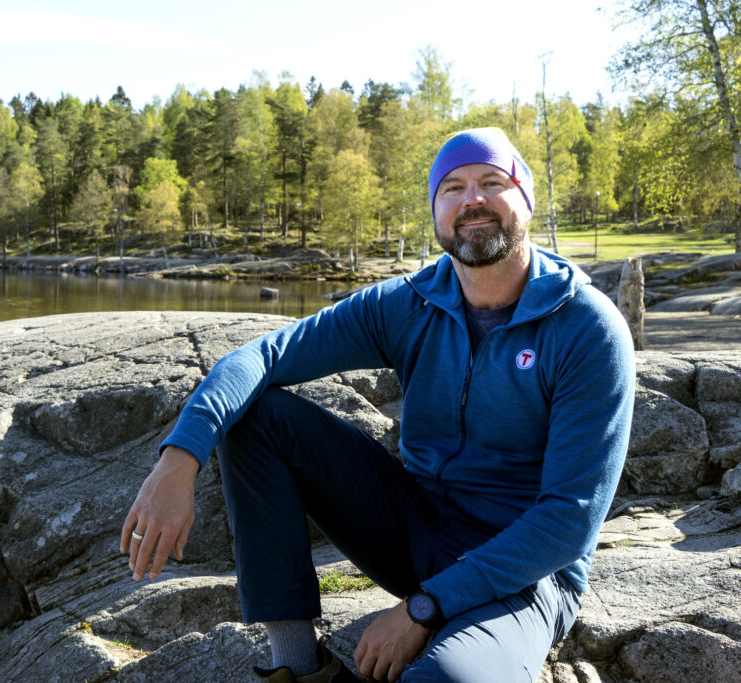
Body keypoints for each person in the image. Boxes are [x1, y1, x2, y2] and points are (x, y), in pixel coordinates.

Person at [121, 127, 635, 682]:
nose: (472, 199)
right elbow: (263, 357)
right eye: (453, 188)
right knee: (258, 414)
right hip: (416, 531)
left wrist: (422, 609)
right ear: (436, 210)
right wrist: (180, 459)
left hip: (526, 575)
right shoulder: (410, 303)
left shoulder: (587, 327)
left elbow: (568, 521)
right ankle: (297, 664)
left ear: (527, 201)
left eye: (492, 182)